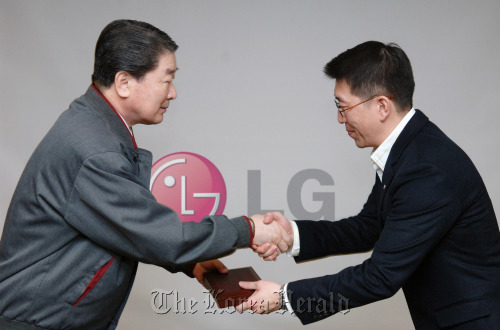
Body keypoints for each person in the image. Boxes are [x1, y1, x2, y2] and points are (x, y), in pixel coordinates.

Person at [0, 19, 290, 330]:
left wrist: (193, 261)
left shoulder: (93, 126)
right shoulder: (96, 151)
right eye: (167, 80)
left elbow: (131, 225)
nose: (174, 93)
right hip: (38, 322)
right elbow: (160, 236)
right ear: (124, 82)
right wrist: (249, 229)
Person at [238, 41, 500, 329]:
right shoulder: (409, 149)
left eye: (343, 106)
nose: (340, 119)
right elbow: (368, 227)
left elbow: (380, 276)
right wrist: (293, 235)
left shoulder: (426, 168)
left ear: (382, 106)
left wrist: (284, 297)